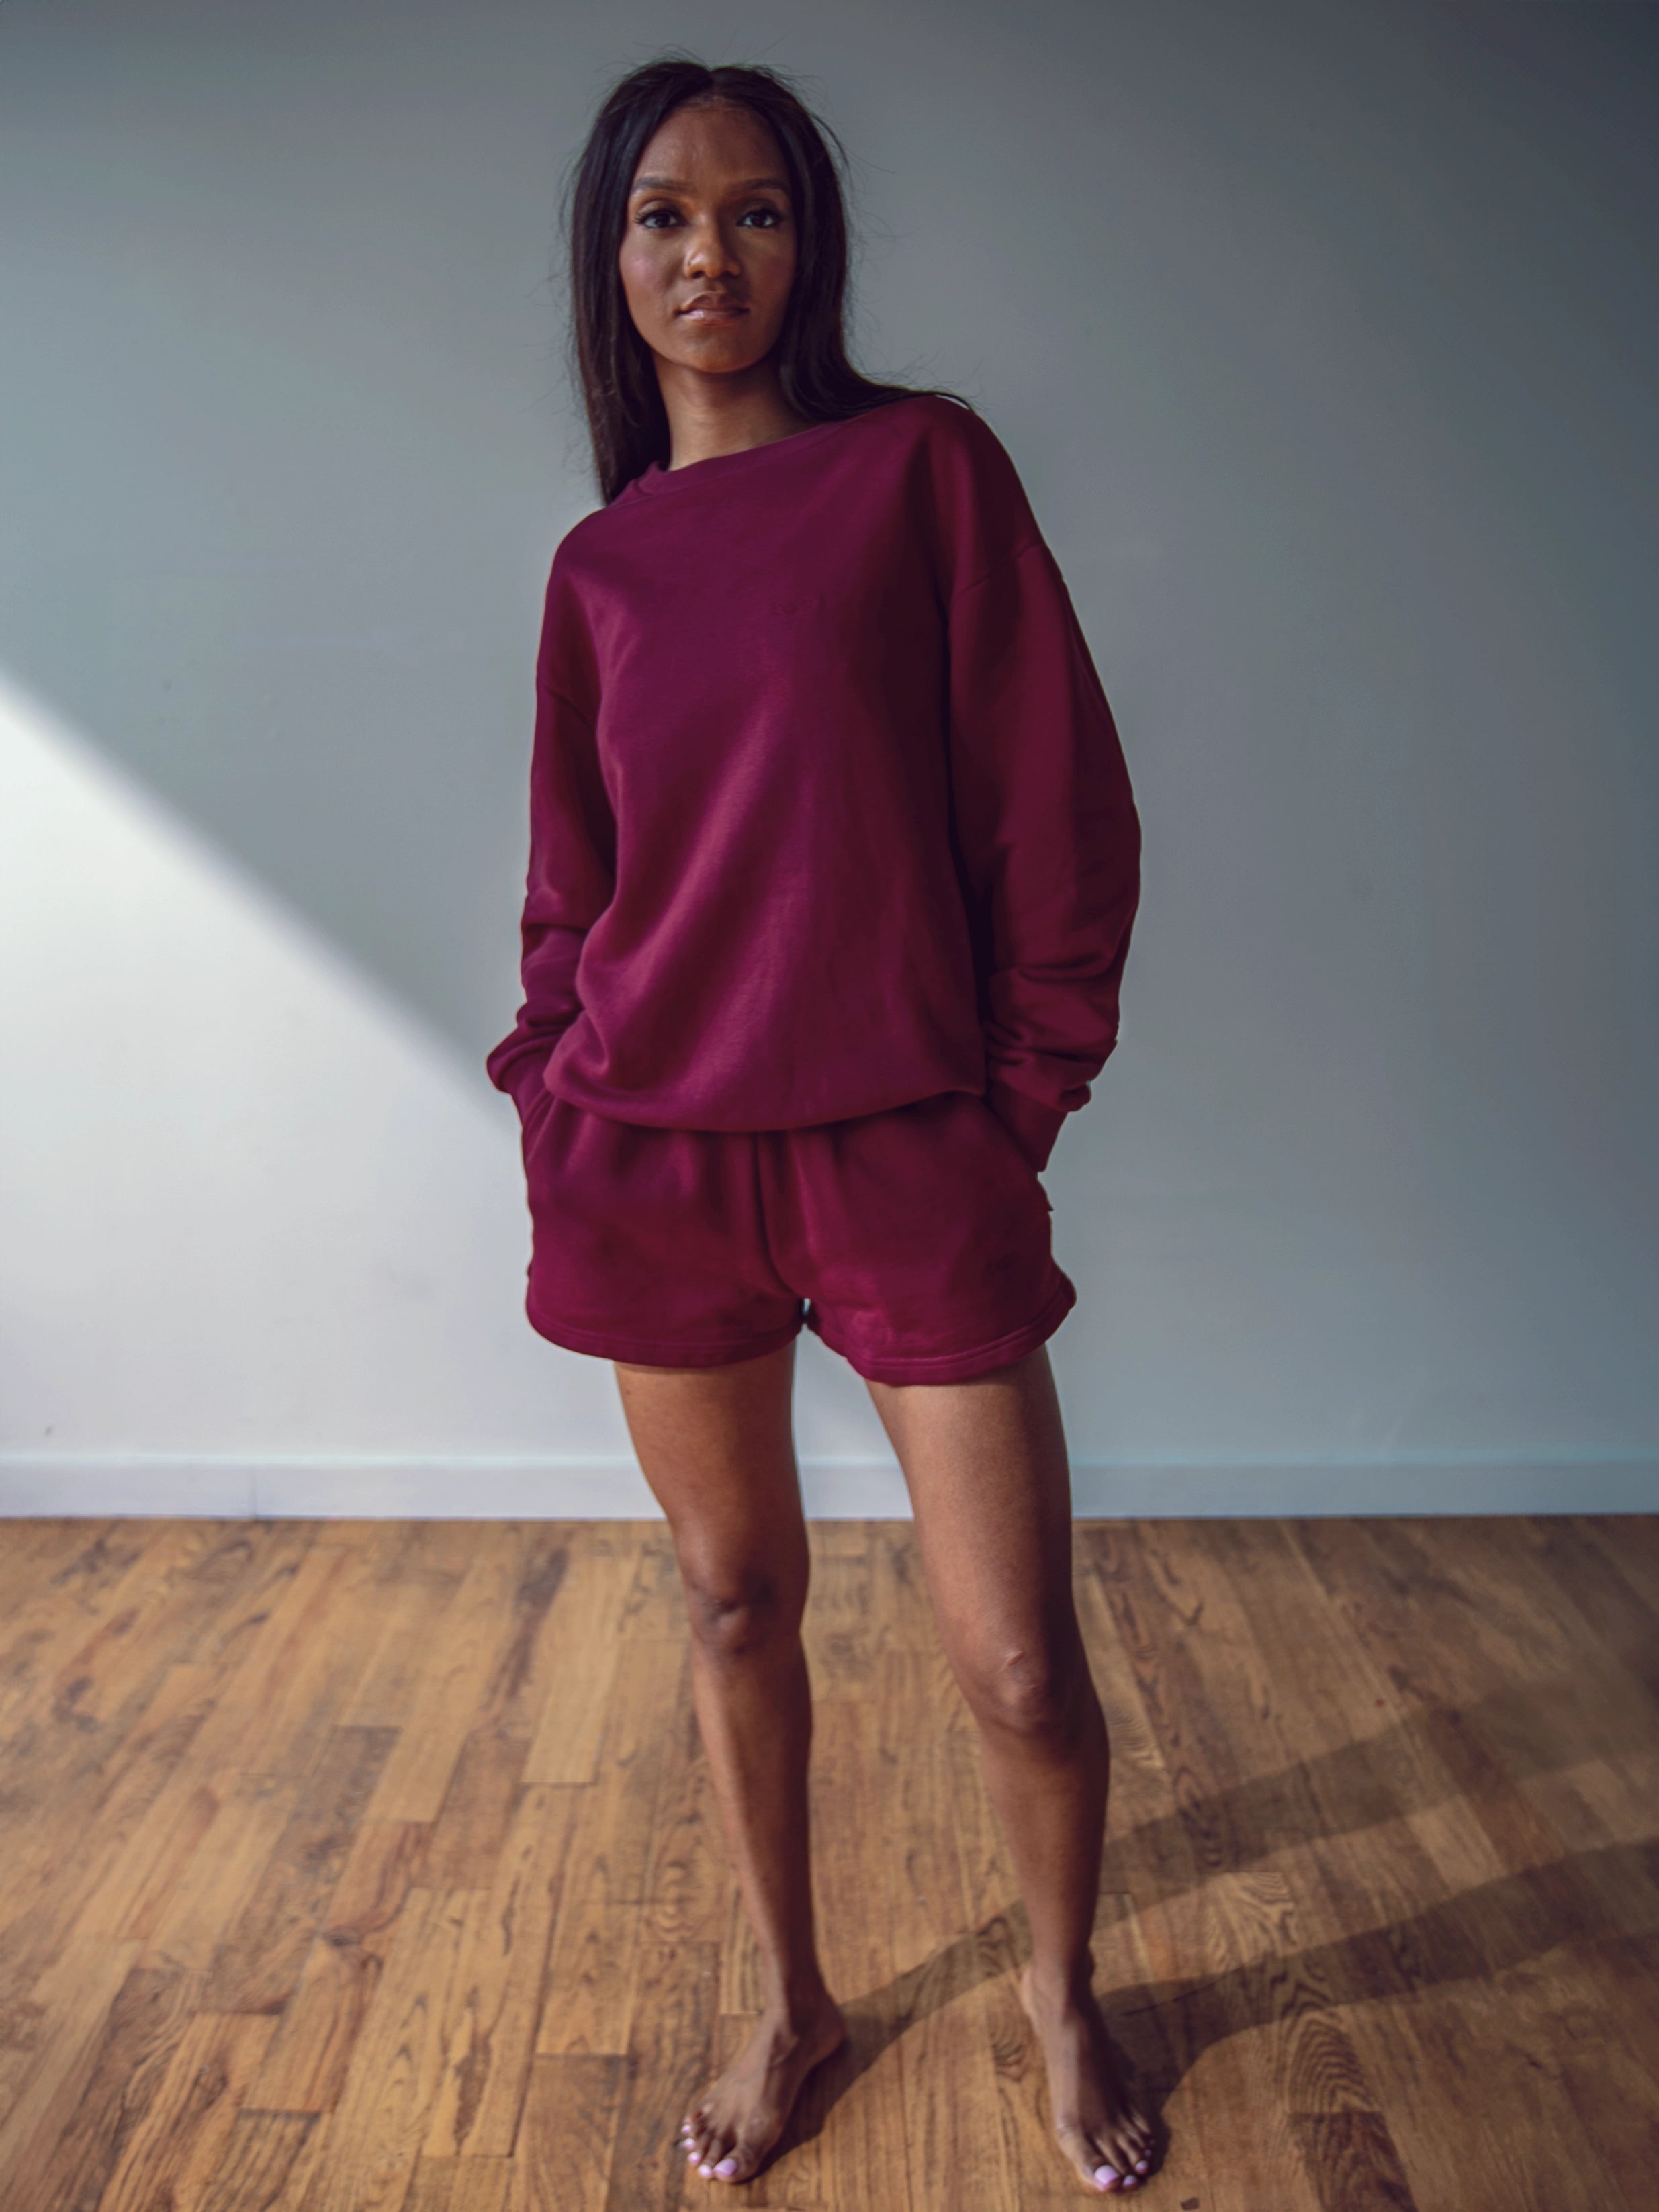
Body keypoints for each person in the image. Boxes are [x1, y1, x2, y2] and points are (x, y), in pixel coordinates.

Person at [486, 54, 1152, 2199]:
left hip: (902, 1143)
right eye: (667, 215)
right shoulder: (602, 570)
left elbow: (1052, 802)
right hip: (659, 1155)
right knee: (736, 1605)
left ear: (811, 247)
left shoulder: (923, 478)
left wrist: (1020, 1097)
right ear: (613, 259)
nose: (712, 252)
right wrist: (549, 1089)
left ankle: (1062, 1996)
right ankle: (794, 2001)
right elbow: (573, 897)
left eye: (757, 212)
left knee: (1021, 1662)